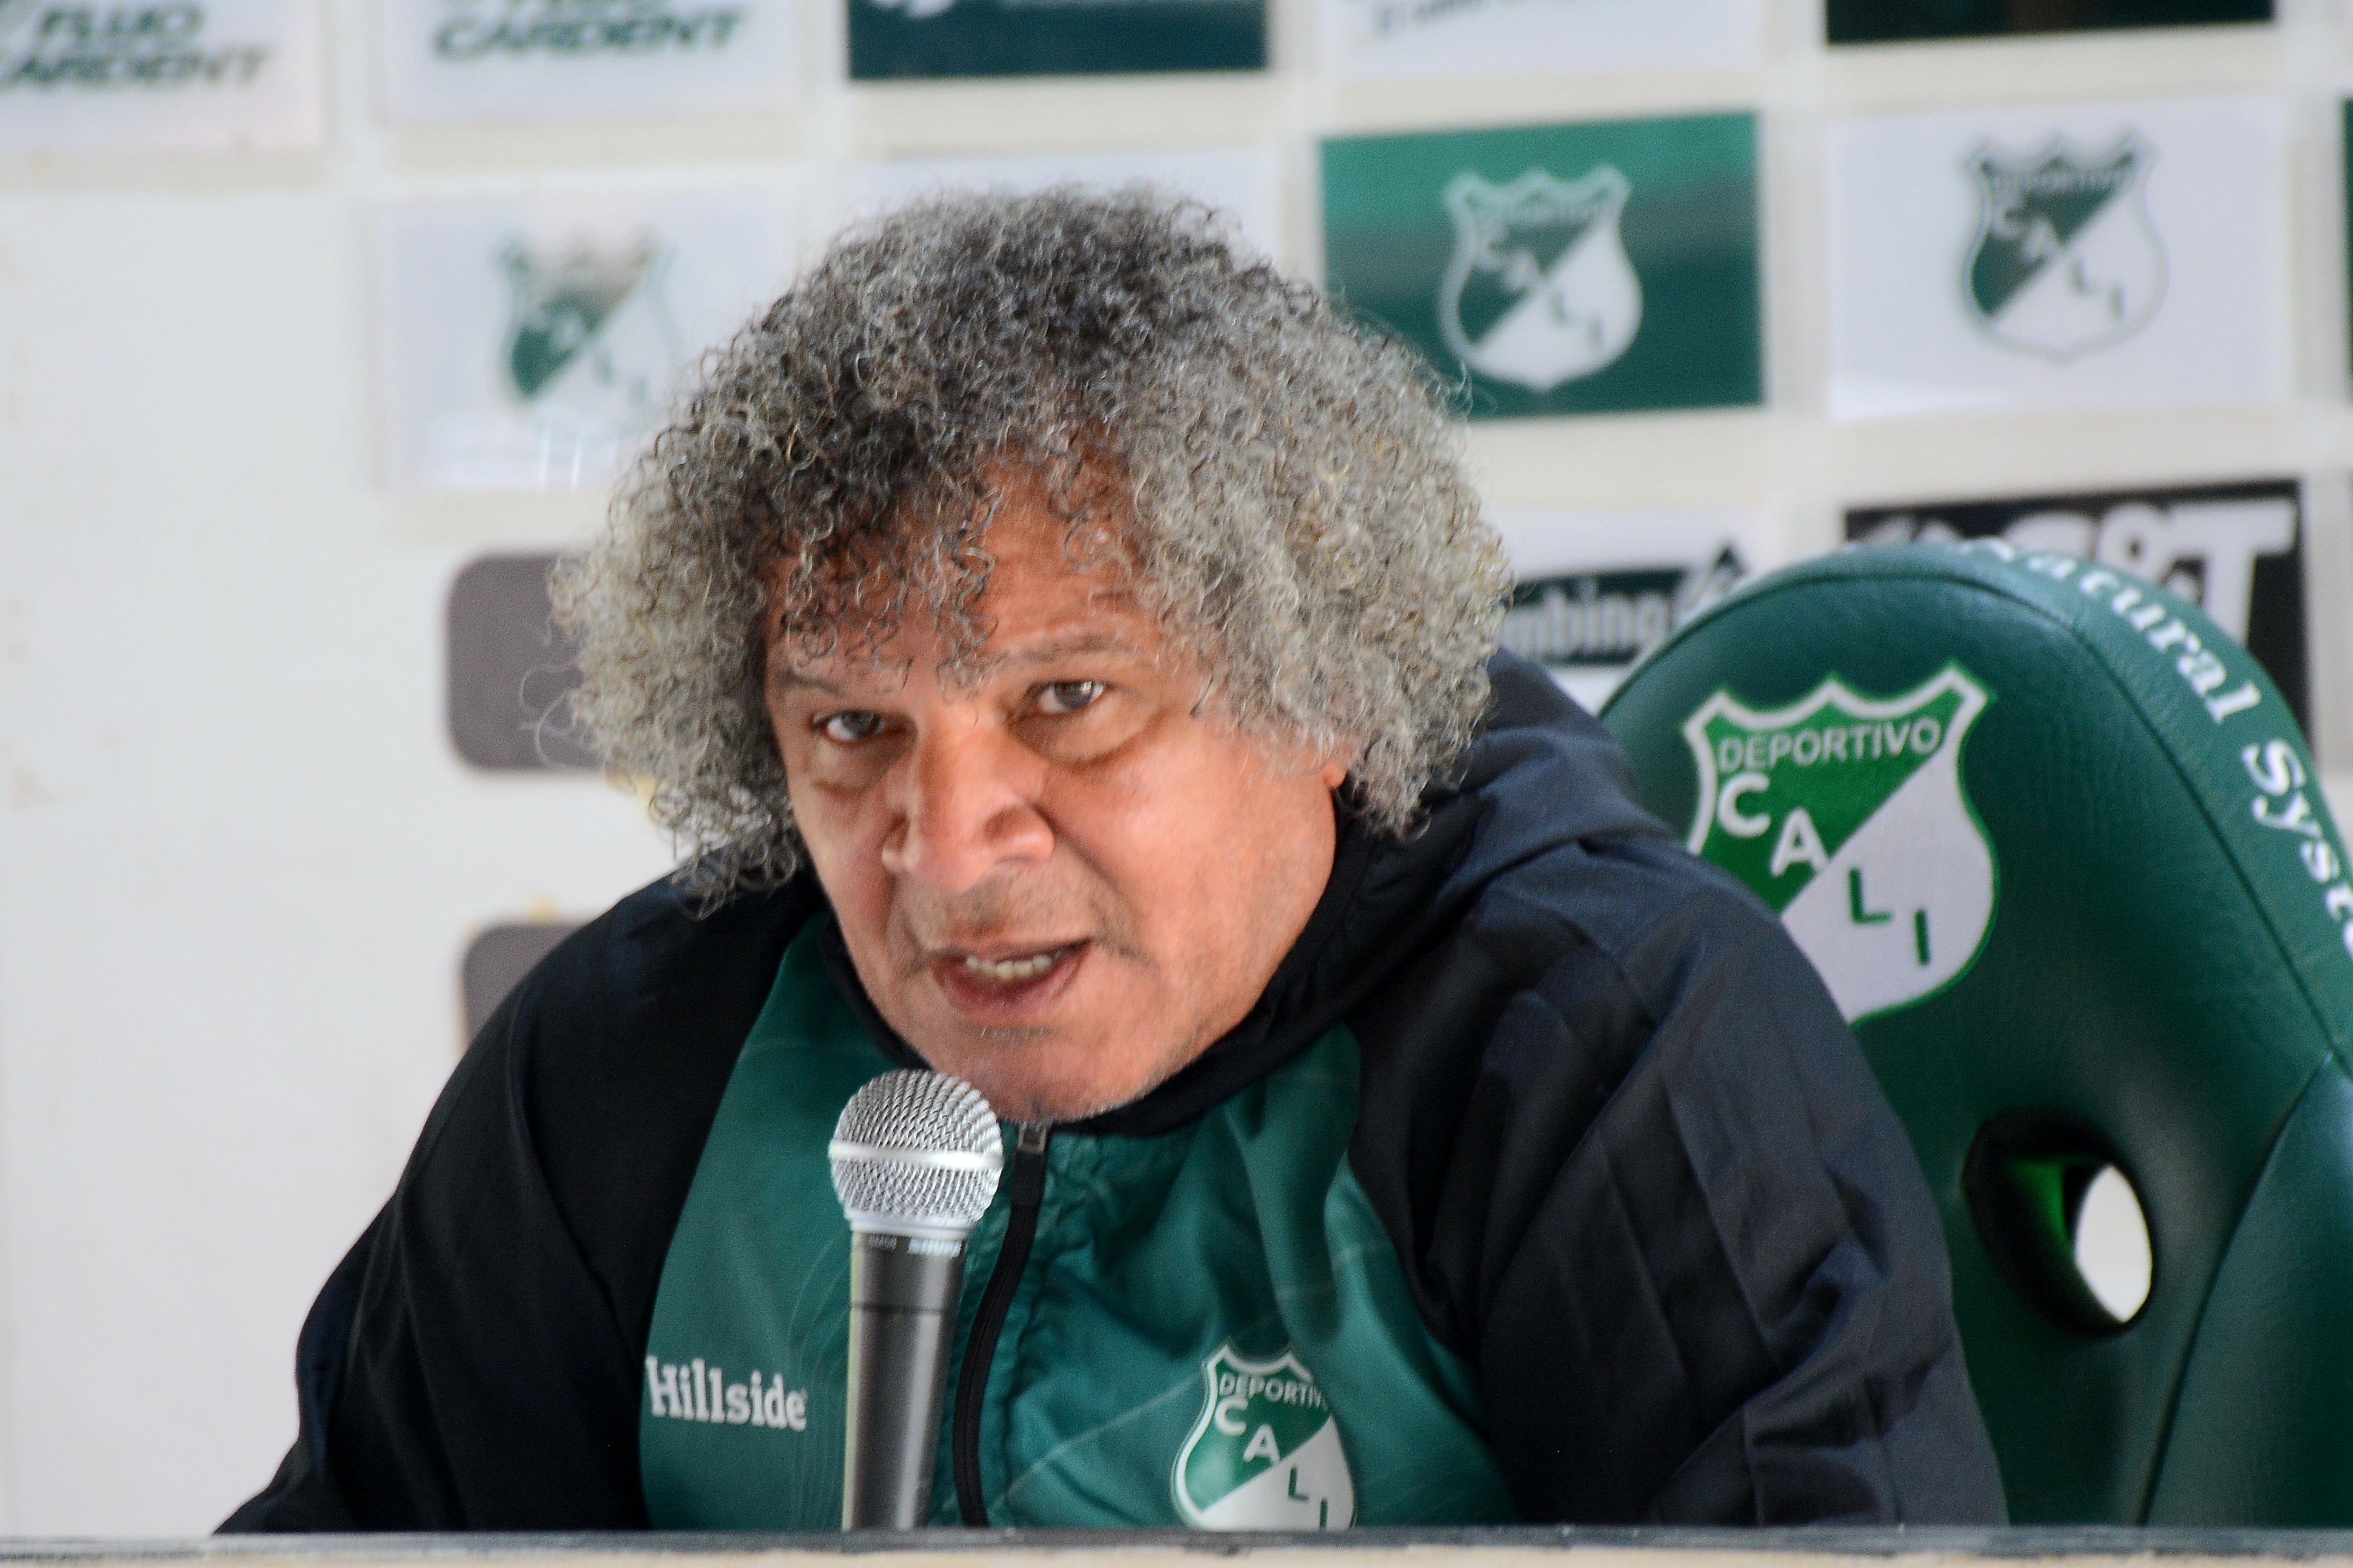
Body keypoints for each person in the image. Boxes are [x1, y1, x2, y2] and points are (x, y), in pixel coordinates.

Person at [226, 190, 2005, 1532]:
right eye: (852, 730)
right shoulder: (630, 1064)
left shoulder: (1612, 1050)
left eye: (1069, 699)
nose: (946, 844)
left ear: (1317, 690)